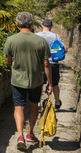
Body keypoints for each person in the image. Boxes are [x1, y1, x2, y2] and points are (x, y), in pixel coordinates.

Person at [4, 12, 53, 150]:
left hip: (17, 79)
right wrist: (50, 82)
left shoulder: (11, 40)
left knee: (19, 107)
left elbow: (8, 61)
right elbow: (46, 64)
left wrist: (13, 67)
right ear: (31, 24)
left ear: (17, 23)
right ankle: (30, 133)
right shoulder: (40, 41)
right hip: (36, 80)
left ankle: (20, 136)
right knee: (33, 105)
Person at [36, 19, 64, 110]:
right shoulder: (55, 36)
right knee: (55, 83)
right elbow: (65, 48)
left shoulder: (36, 36)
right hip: (53, 63)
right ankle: (57, 102)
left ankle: (38, 103)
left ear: (42, 26)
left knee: (39, 84)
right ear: (51, 27)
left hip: (39, 64)